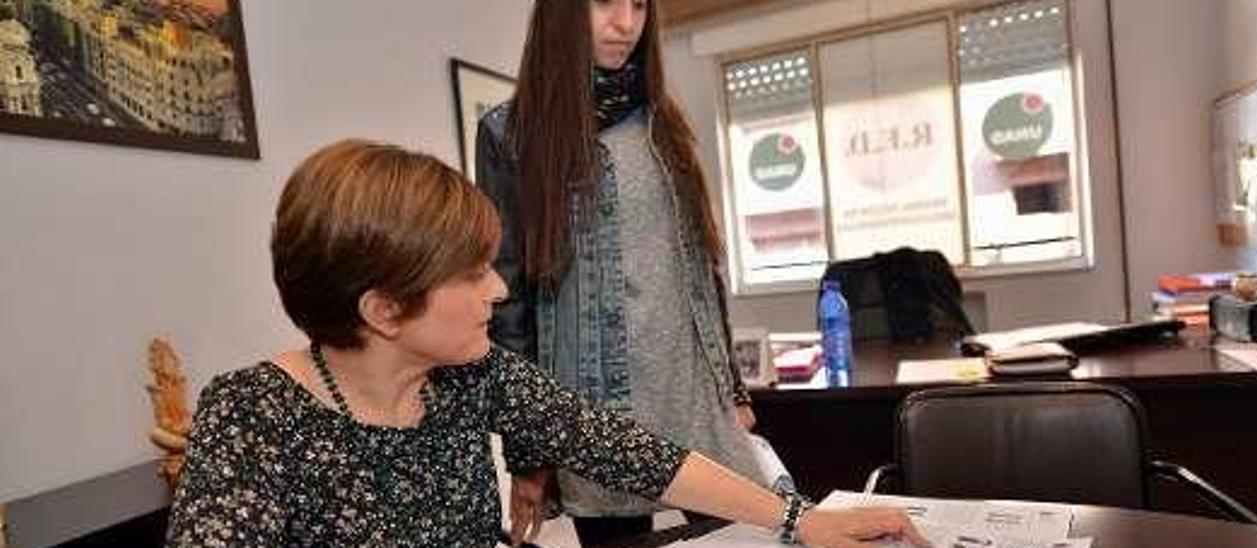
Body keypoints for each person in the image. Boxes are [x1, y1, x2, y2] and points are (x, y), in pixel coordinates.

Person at [164, 140, 926, 548]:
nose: (498, 290)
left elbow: (629, 451)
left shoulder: (473, 373)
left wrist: (799, 518)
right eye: (470, 273)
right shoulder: (252, 413)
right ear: (385, 309)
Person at [475, 0, 767, 544]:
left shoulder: (663, 121)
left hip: (694, 397)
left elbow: (700, 264)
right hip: (597, 416)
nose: (626, 23)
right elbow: (508, 305)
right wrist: (529, 452)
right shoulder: (511, 134)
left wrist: (733, 391)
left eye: (638, 4)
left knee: (748, 538)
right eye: (606, 2)